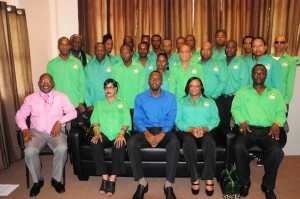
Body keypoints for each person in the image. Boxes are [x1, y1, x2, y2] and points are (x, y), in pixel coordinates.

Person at [15, 73, 77, 197]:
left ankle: (56, 179)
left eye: (48, 81)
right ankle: (38, 181)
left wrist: (60, 122)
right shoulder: (30, 98)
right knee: (29, 151)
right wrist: (24, 129)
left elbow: (73, 112)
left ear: (53, 84)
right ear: (38, 84)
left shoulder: (61, 97)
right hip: (36, 133)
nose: (45, 84)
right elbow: (20, 115)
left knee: (62, 148)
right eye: (42, 81)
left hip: (56, 133)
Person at [231, 64, 287, 199]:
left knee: (277, 151)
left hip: (268, 130)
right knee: (238, 147)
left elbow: (282, 111)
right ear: (252, 75)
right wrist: (241, 120)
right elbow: (235, 109)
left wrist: (276, 123)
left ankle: (267, 186)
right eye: (256, 73)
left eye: (261, 73)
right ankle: (244, 182)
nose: (258, 75)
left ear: (266, 75)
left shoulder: (275, 93)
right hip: (248, 129)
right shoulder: (242, 92)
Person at [127, 71, 179, 199]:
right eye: (152, 79)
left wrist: (162, 133)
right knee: (132, 142)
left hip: (164, 130)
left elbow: (171, 119)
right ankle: (142, 182)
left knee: (175, 143)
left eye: (157, 79)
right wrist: (147, 133)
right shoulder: (140, 98)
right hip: (146, 130)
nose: (155, 81)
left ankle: (168, 184)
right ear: (148, 81)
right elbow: (137, 119)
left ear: (162, 81)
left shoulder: (171, 98)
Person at [176, 77, 219, 196]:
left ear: (201, 87)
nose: (194, 88)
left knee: (209, 142)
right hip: (187, 131)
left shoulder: (209, 101)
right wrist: (190, 129)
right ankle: (195, 177)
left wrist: (205, 128)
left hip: (205, 130)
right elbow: (178, 119)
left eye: (197, 86)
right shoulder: (182, 101)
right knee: (188, 144)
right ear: (188, 88)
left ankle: (209, 177)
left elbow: (215, 118)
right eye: (191, 86)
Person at [90, 78, 131, 197]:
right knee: (95, 142)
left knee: (120, 143)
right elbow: (94, 120)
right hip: (104, 133)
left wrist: (121, 133)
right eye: (106, 87)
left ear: (116, 89)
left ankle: (112, 178)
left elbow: (127, 120)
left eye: (111, 87)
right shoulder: (99, 103)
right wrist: (97, 132)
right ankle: (104, 177)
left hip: (120, 133)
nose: (108, 90)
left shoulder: (122, 103)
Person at [47, 37, 86, 127]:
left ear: (70, 46)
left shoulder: (77, 62)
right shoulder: (51, 64)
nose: (64, 47)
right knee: (61, 133)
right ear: (58, 47)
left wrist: (81, 101)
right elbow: (49, 87)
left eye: (66, 44)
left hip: (75, 104)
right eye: (62, 44)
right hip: (58, 106)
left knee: (76, 134)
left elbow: (82, 83)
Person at [219, 40, 249, 128]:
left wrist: (238, 98)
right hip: (221, 98)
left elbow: (244, 83)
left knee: (233, 125)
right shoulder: (220, 62)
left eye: (232, 47)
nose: (229, 49)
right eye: (227, 47)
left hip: (234, 98)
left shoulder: (242, 63)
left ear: (236, 49)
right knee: (221, 124)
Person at [111, 44, 145, 109]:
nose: (124, 55)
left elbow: (141, 88)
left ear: (131, 53)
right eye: (122, 53)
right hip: (118, 105)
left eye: (127, 52)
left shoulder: (140, 68)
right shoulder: (115, 68)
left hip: (134, 105)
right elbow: (112, 87)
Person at [270, 35, 296, 109]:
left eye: (282, 42)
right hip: (267, 98)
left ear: (286, 45)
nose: (279, 45)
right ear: (274, 44)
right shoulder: (268, 58)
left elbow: (290, 83)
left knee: (280, 120)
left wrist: (286, 101)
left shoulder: (290, 61)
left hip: (281, 98)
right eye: (277, 42)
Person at [85, 42, 113, 112]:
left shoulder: (112, 66)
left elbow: (115, 87)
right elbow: (85, 88)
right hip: (94, 106)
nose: (100, 52)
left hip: (110, 105)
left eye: (102, 50)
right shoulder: (88, 68)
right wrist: (89, 104)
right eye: (98, 50)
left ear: (105, 51)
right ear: (94, 51)